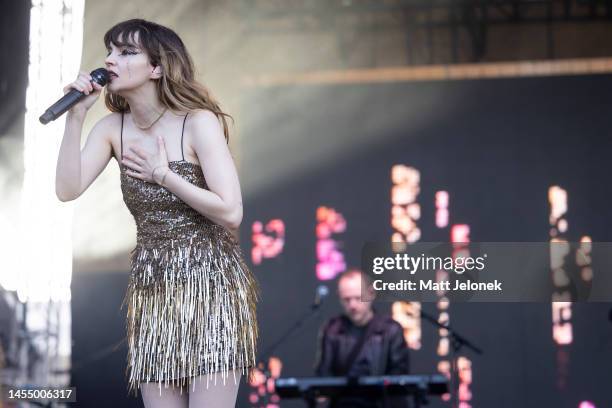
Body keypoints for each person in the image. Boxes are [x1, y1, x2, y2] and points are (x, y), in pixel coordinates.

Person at [55, 19, 259, 408]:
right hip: (153, 288)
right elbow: (67, 189)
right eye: (110, 51)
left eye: (127, 52)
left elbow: (231, 212)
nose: (112, 60)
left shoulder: (198, 122)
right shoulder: (112, 128)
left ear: (158, 67)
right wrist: (76, 117)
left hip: (208, 284)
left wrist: (163, 175)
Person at [314, 269, 410, 408]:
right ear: (339, 297)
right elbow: (324, 375)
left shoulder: (390, 330)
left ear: (371, 294)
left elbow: (399, 377)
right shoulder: (332, 330)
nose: (352, 305)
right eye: (347, 299)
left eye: (358, 298)